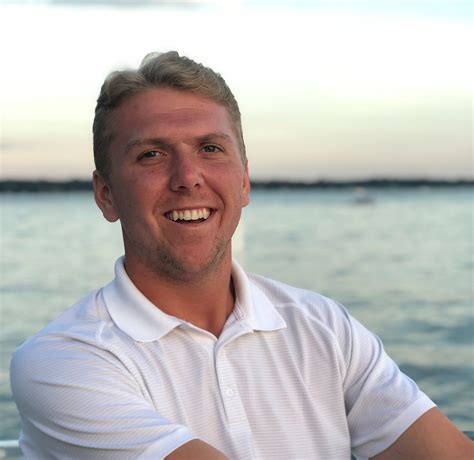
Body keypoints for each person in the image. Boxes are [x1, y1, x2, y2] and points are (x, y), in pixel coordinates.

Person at [10, 51, 472, 460]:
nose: (188, 177)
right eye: (152, 155)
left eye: (210, 148)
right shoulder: (64, 362)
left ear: (245, 181)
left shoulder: (324, 327)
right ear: (106, 195)